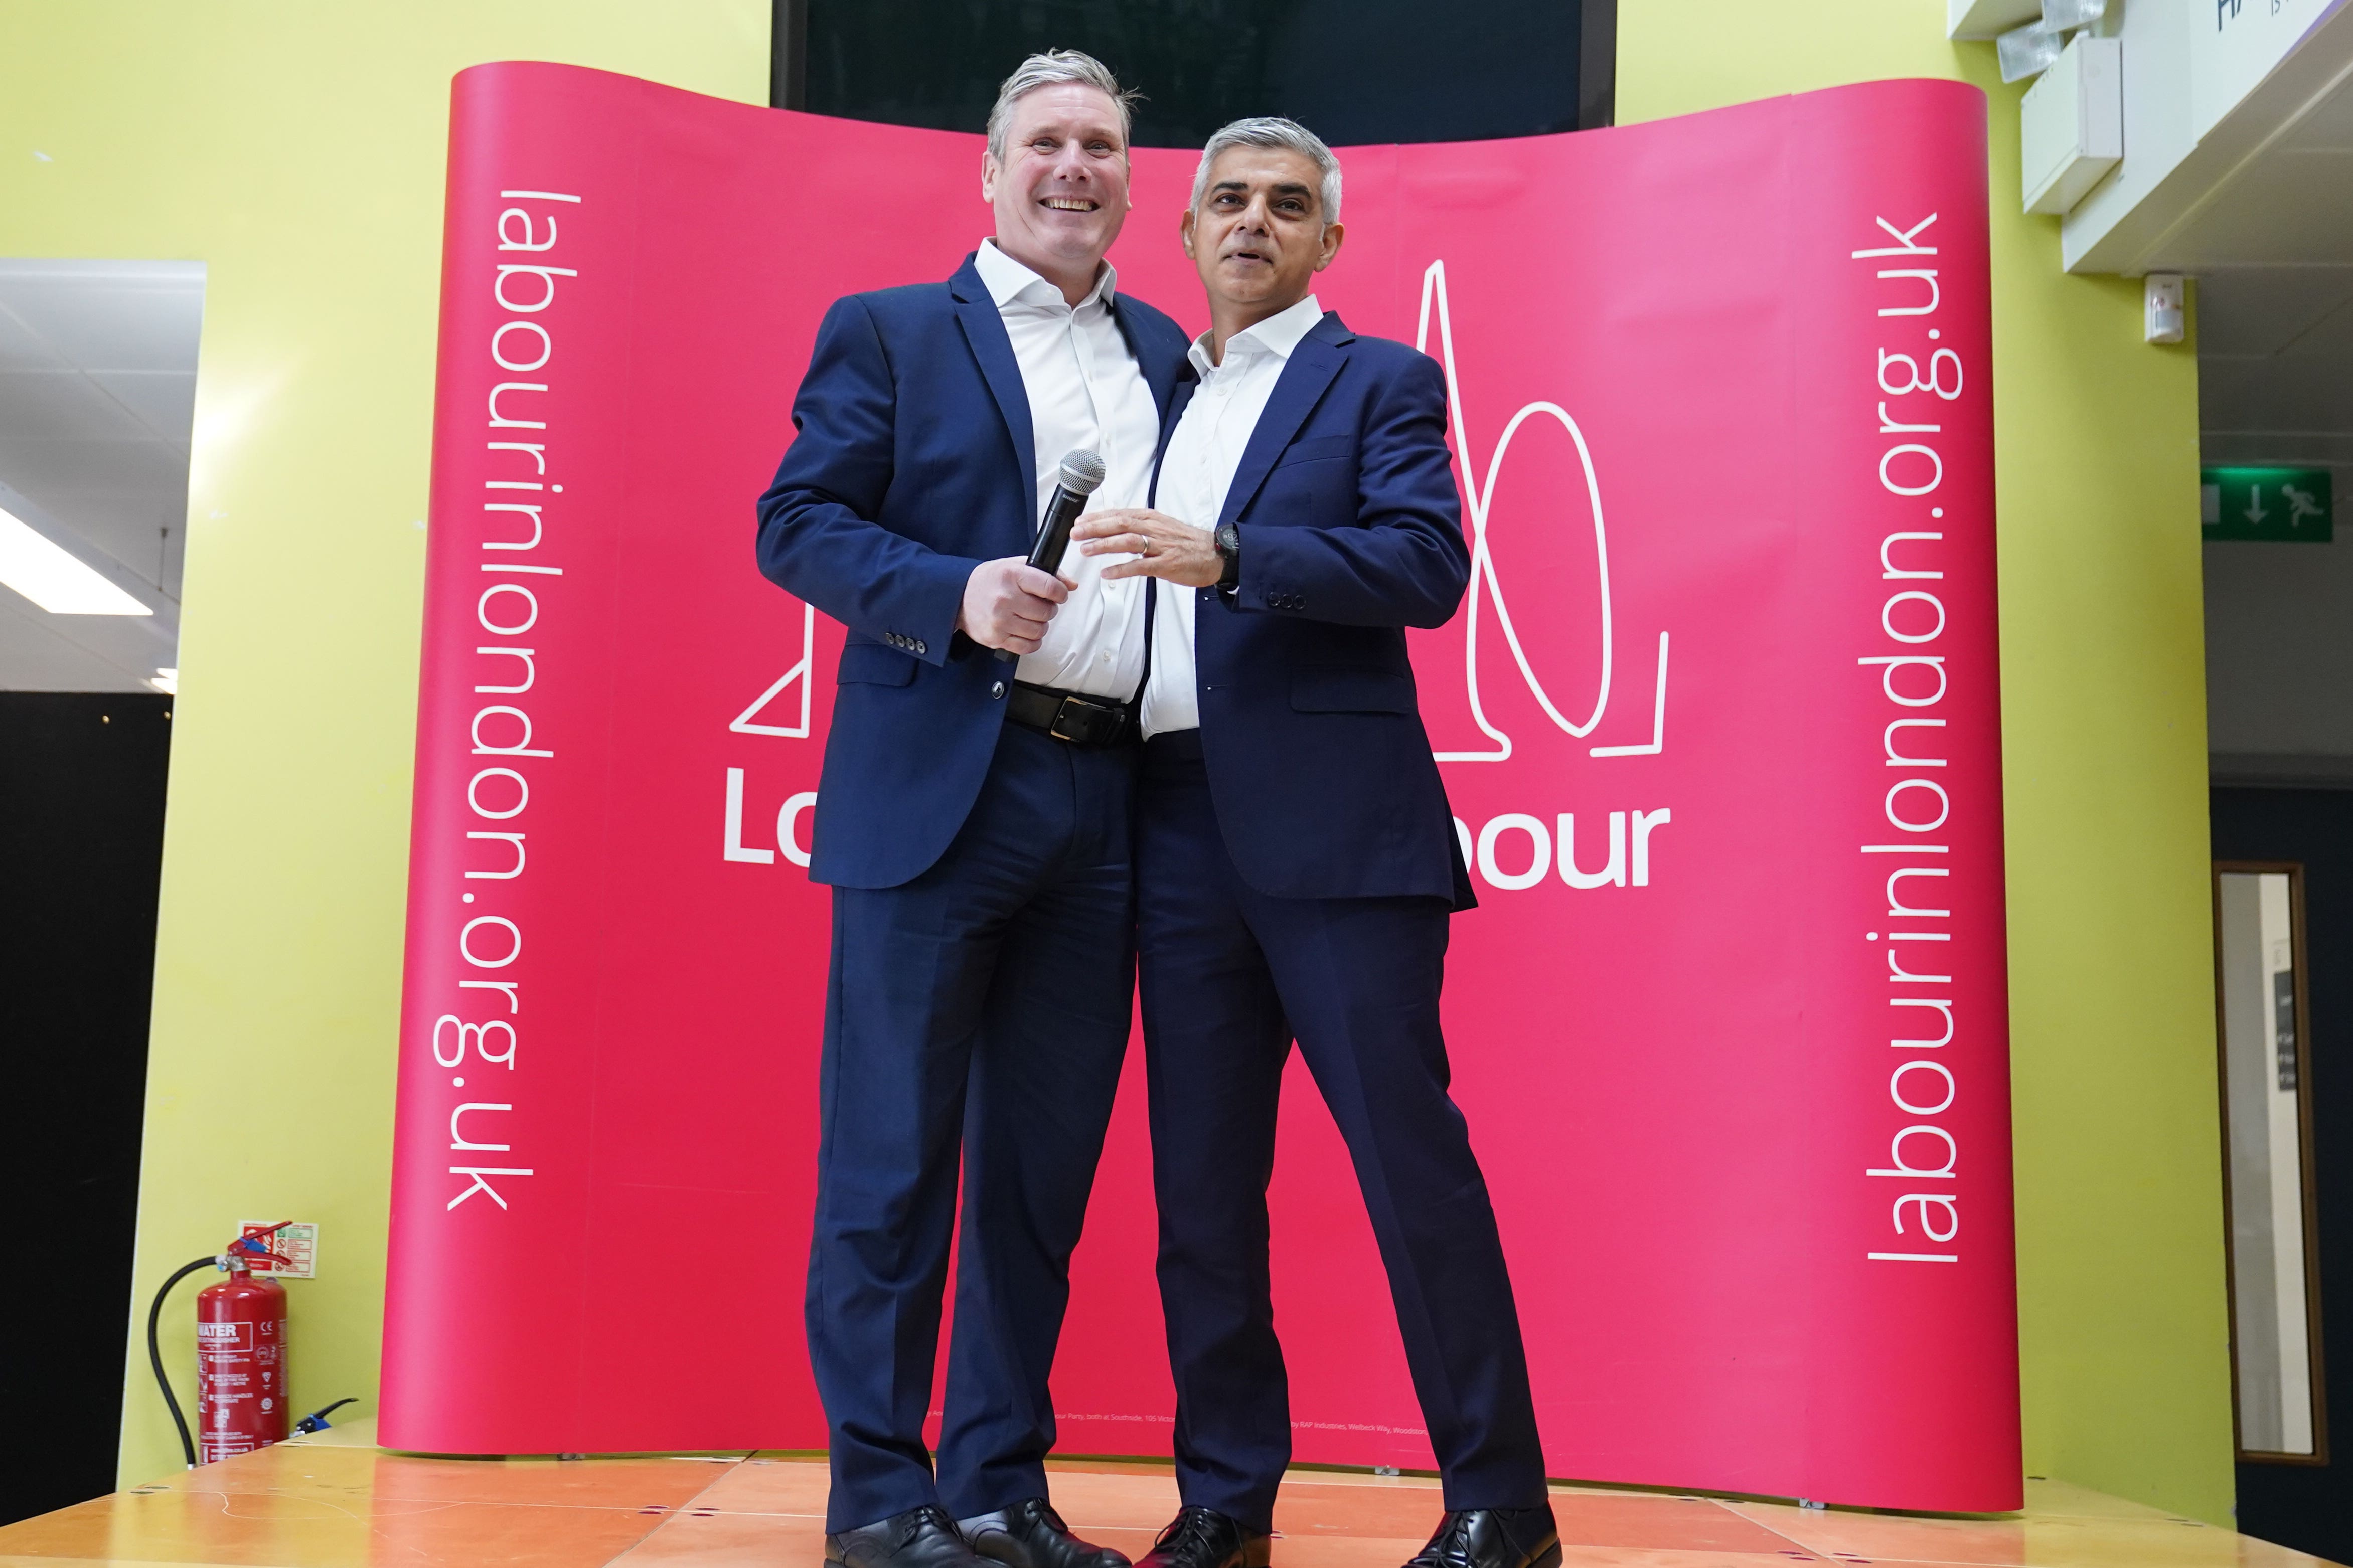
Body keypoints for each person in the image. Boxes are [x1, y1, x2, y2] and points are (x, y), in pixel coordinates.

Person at [1070, 119, 1561, 1568]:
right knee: (1198, 1193)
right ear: (1187, 228)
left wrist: (1232, 557)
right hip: (1168, 825)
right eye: (1227, 199)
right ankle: (1224, 1499)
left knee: (1413, 1175)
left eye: (1288, 205)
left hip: (1341, 841)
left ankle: (1497, 1504)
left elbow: (1426, 567)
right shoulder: (1146, 383)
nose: (1253, 223)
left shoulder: (1378, 379)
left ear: (1327, 241)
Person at [754, 51, 1193, 1568]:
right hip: (941, 788)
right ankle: (880, 1503)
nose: (1075, 166)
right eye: (1047, 142)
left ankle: (999, 1487)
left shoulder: (1170, 356)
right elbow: (794, 521)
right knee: (888, 1165)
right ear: (990, 172)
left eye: (1102, 146)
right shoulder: (885, 331)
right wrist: (951, 592)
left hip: (1114, 797)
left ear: (1131, 179)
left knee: (1037, 1178)